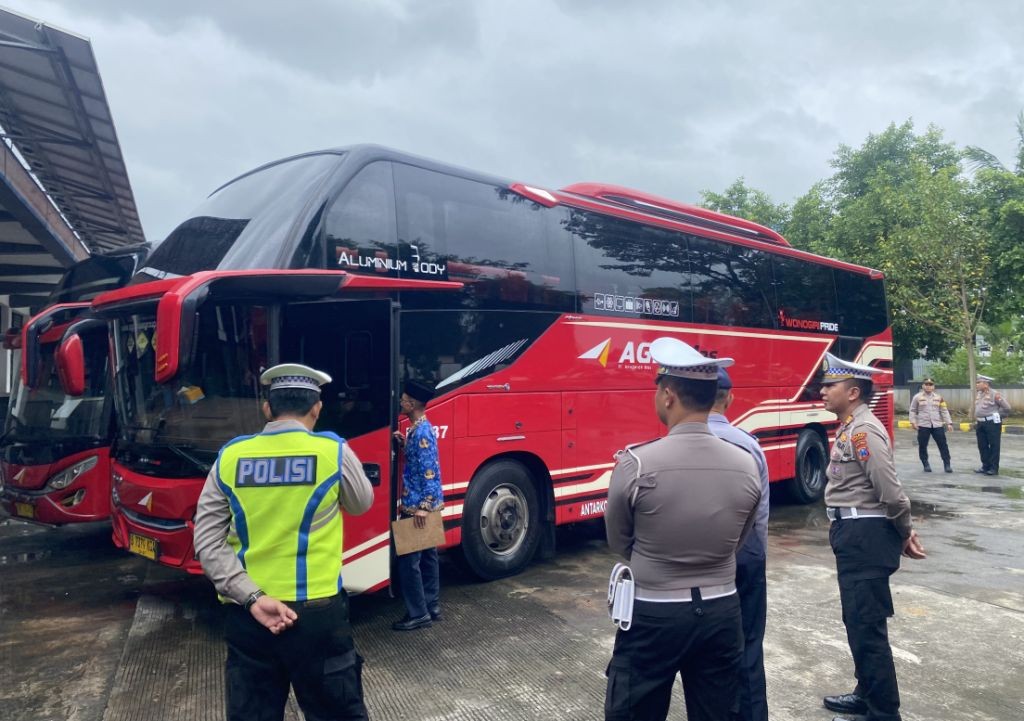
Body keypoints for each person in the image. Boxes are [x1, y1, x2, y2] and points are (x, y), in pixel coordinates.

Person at [193, 363, 374, 721]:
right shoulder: (332, 451)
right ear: (317, 408)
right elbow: (362, 503)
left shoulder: (230, 456)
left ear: (267, 408)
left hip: (250, 615)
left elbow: (207, 542)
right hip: (318, 615)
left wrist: (254, 598)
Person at [604, 337, 761, 721]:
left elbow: (620, 541)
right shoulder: (748, 464)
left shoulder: (635, 464)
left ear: (669, 395)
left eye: (658, 390)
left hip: (653, 614)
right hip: (723, 611)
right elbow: (740, 539)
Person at [819, 352, 926, 721]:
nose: (822, 392)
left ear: (852, 392)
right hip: (853, 533)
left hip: (865, 535)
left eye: (829, 385)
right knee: (857, 622)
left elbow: (892, 493)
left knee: (867, 627)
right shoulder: (851, 426)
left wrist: (905, 531)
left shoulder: (864, 431)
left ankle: (882, 712)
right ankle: (866, 693)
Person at [707, 367, 770, 721]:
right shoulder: (749, 445)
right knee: (748, 647)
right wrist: (754, 554)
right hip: (745, 555)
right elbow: (761, 513)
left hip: (697, 562)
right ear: (729, 398)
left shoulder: (672, 445)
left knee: (705, 656)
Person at [391, 379, 444, 631]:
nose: (400, 402)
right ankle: (431, 607)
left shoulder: (421, 433)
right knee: (428, 559)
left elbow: (430, 470)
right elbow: (418, 463)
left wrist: (424, 505)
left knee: (409, 562)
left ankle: (418, 613)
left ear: (411, 404)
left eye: (403, 399)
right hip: (424, 505)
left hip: (416, 507)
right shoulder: (416, 430)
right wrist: (404, 444)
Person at [908, 378, 953, 473]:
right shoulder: (917, 397)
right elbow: (912, 410)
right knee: (923, 445)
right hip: (923, 425)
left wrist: (949, 423)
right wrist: (913, 422)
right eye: (926, 384)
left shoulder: (939, 397)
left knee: (943, 445)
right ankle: (925, 464)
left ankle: (947, 464)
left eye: (930, 384)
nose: (928, 386)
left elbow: (944, 410)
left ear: (934, 386)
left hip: (937, 425)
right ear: (923, 386)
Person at [974, 374, 1011, 476]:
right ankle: (985, 466)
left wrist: (998, 415)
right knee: (982, 445)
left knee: (994, 445)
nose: (976, 384)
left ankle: (994, 468)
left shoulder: (995, 394)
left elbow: (1007, 407)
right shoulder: (979, 394)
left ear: (986, 384)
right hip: (980, 423)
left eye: (978, 383)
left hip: (992, 423)